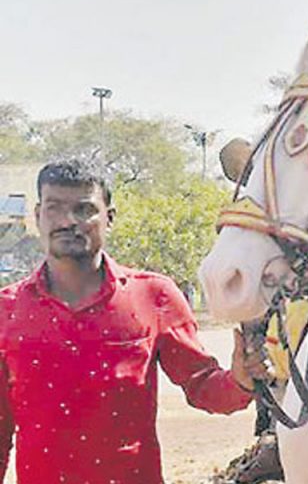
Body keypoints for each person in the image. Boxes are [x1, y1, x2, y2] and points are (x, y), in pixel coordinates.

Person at [0, 160, 264, 482]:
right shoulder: (7, 310)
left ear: (109, 218)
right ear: (38, 215)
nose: (68, 221)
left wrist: (240, 380)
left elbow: (202, 386)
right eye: (55, 208)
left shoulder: (154, 296)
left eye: (84, 209)